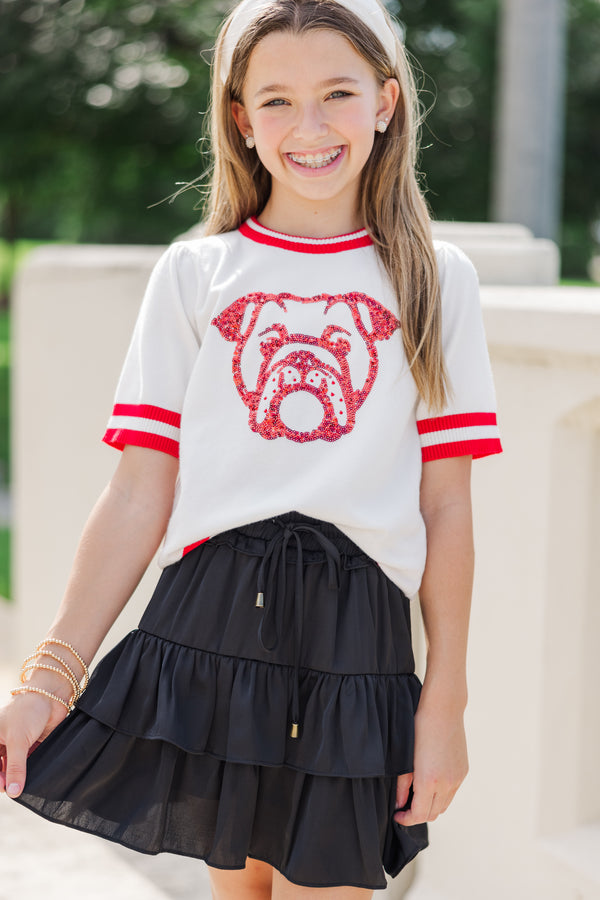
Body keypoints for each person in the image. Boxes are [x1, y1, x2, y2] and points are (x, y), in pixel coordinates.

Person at [0, 0, 502, 896]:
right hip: (209, 623)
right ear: (240, 117)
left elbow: (446, 504)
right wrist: (46, 679)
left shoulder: (434, 279)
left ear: (386, 103)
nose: (308, 127)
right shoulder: (197, 273)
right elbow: (136, 494)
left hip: (359, 636)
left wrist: (446, 700)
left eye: (337, 94)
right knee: (241, 889)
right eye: (276, 100)